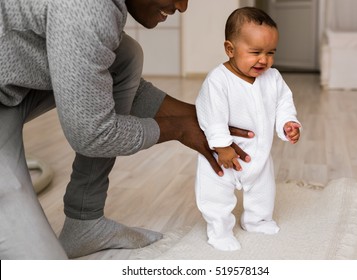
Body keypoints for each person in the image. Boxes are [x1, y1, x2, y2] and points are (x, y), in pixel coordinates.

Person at [0, 0, 253, 259]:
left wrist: (201, 119)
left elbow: (98, 80)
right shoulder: (89, 7)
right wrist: (177, 129)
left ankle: (84, 221)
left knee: (125, 56)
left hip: (10, 90)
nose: (182, 5)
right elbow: (93, 134)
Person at [195, 7, 301, 251]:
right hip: (221, 155)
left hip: (259, 151)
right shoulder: (218, 80)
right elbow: (213, 115)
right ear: (230, 49)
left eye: (270, 52)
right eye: (255, 52)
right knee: (216, 194)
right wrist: (222, 147)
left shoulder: (272, 78)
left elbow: (284, 102)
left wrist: (288, 123)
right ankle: (219, 231)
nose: (264, 60)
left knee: (263, 190)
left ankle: (257, 220)